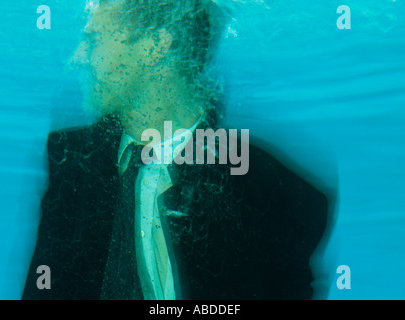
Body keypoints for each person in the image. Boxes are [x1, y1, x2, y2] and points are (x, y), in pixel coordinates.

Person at [23, 0, 332, 300]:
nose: (78, 58)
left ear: (155, 46)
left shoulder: (271, 194)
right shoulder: (71, 165)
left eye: (94, 40)